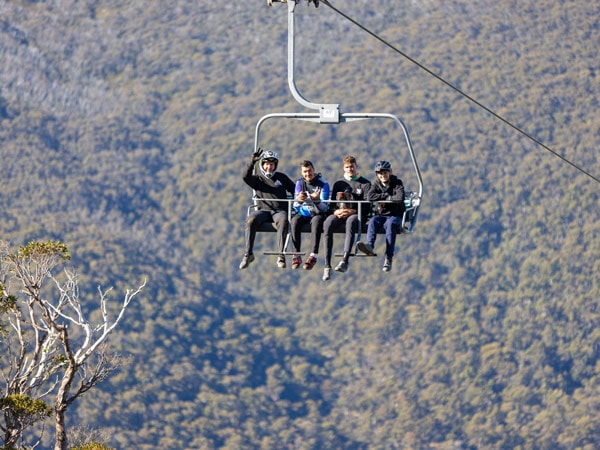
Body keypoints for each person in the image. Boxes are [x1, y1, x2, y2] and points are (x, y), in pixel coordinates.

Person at [239, 148, 295, 270]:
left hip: (279, 210)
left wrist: (301, 196)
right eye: (267, 164)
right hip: (263, 210)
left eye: (271, 164)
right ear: (262, 165)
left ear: (275, 165)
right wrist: (252, 162)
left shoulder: (281, 177)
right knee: (250, 220)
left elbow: (295, 190)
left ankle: (281, 255)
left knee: (284, 221)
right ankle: (248, 254)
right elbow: (245, 177)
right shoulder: (257, 179)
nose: (269, 167)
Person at [322, 155, 371, 281]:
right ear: (344, 168)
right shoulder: (339, 183)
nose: (350, 169)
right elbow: (332, 204)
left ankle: (345, 260)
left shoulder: (365, 184)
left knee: (351, 223)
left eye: (352, 167)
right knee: (327, 223)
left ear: (356, 167)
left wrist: (353, 211)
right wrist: (336, 211)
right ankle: (327, 265)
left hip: (356, 214)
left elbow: (367, 206)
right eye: (347, 167)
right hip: (340, 213)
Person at [356, 160, 405, 272]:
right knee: (373, 221)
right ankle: (369, 246)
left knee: (390, 224)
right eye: (380, 173)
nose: (383, 175)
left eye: (385, 173)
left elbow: (399, 197)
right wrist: (386, 196)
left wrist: (384, 198)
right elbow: (370, 196)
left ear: (390, 173)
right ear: (377, 175)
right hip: (382, 214)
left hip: (395, 215)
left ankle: (388, 257)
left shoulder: (397, 183)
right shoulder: (376, 184)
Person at [290, 160, 330, 270]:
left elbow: (325, 208)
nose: (308, 174)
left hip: (318, 213)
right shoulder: (299, 183)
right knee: (294, 221)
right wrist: (299, 200)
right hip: (304, 213)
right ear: (302, 173)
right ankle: (296, 254)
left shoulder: (323, 184)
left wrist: (317, 200)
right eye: (305, 172)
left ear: (314, 170)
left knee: (317, 222)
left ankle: (313, 255)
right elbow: (295, 206)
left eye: (310, 171)